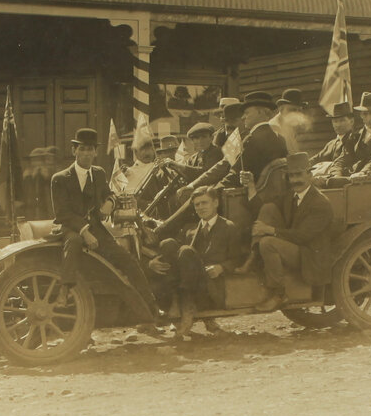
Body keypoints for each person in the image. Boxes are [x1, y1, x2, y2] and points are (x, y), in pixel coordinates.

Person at [50, 128, 158, 318]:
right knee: (74, 242)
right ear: (74, 150)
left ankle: (151, 305)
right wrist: (84, 231)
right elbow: (62, 213)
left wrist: (110, 202)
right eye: (82, 149)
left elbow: (108, 193)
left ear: (95, 152)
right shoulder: (60, 178)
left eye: (90, 149)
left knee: (127, 260)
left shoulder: (98, 174)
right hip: (70, 228)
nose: (86, 153)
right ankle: (64, 290)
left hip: (96, 228)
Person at [153, 91, 287, 240]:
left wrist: (210, 190)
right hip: (261, 198)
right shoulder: (279, 138)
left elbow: (233, 174)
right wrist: (196, 185)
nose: (243, 117)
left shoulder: (252, 139)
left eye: (247, 113)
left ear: (262, 112)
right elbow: (226, 165)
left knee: (198, 197)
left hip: (240, 197)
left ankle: (159, 233)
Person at [150, 186, 242, 336]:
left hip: (211, 290)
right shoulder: (190, 229)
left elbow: (237, 259)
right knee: (168, 244)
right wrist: (153, 262)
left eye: (204, 203)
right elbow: (175, 256)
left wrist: (221, 267)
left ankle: (187, 308)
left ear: (216, 203)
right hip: (190, 286)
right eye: (197, 204)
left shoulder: (228, 227)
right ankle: (176, 301)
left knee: (186, 251)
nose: (200, 207)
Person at [250, 153, 334, 312]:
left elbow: (302, 236)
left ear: (310, 175)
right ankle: (253, 256)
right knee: (268, 209)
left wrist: (270, 230)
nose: (295, 180)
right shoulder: (290, 196)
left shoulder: (320, 203)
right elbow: (262, 208)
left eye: (299, 175)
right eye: (291, 176)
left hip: (309, 255)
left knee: (267, 243)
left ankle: (279, 293)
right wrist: (250, 187)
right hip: (295, 246)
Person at [329, 91, 371, 178]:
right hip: (352, 179)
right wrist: (336, 174)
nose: (368, 118)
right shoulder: (355, 136)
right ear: (361, 115)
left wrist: (364, 173)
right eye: (365, 114)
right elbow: (342, 159)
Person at [310, 101, 357, 170]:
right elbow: (316, 159)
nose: (338, 125)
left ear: (351, 121)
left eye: (342, 120)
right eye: (335, 121)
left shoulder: (355, 140)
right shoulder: (330, 144)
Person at [271, 88, 310, 153]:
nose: (296, 114)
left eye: (299, 110)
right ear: (281, 109)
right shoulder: (274, 127)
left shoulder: (289, 126)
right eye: (292, 110)